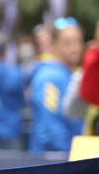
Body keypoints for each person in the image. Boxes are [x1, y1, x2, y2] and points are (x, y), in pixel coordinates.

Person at [28, 17, 84, 153]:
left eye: (78, 41)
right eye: (68, 42)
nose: (75, 48)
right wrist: (67, 155)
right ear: (53, 44)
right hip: (55, 162)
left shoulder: (68, 73)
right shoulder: (50, 77)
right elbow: (49, 127)